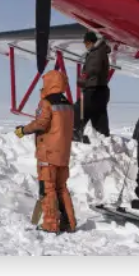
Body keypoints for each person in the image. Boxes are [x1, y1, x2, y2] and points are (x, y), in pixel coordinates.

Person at [14, 69, 77, 233]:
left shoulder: (47, 103)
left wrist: (23, 130)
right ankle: (69, 223)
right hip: (63, 154)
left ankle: (50, 224)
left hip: (48, 153)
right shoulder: (68, 104)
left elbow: (41, 123)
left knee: (47, 188)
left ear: (49, 83)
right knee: (61, 188)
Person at [74, 31, 111, 143]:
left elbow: (93, 68)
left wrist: (83, 77)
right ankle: (103, 138)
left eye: (86, 43)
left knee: (79, 109)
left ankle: (75, 131)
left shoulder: (97, 52)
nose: (85, 46)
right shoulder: (98, 51)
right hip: (100, 90)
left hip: (94, 89)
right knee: (98, 115)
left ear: (90, 42)